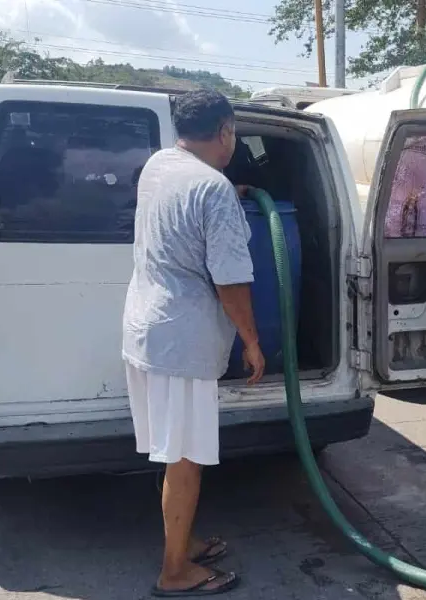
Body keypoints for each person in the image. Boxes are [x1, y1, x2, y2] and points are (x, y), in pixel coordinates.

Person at [122, 89, 265, 597]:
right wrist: (251, 340)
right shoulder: (214, 190)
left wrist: (232, 194)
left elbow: (188, 212)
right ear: (225, 130)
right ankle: (174, 572)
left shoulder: (160, 165)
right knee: (186, 459)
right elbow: (230, 281)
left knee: (173, 452)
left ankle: (185, 542)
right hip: (182, 340)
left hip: (145, 327)